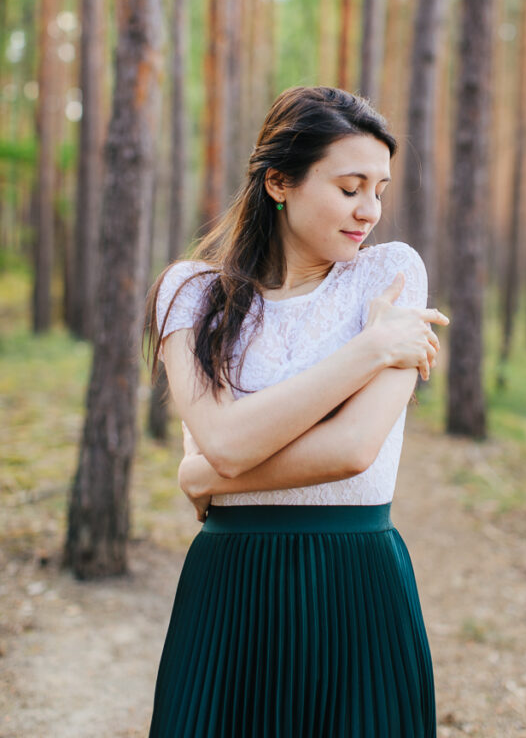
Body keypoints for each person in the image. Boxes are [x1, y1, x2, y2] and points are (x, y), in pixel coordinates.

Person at [144, 85, 449, 738]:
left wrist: (202, 479)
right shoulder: (191, 294)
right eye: (349, 187)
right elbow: (224, 440)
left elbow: (354, 452)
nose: (368, 210)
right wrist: (369, 348)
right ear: (279, 182)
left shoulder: (391, 275)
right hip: (231, 587)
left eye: (379, 189)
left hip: (355, 582)